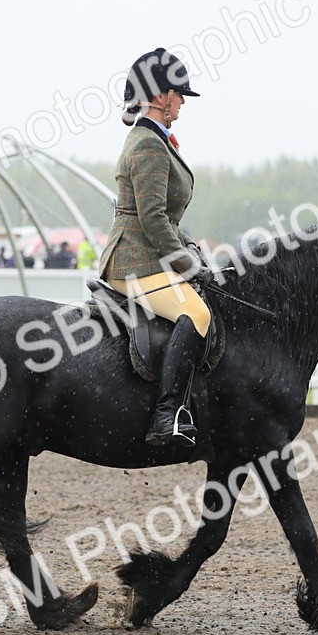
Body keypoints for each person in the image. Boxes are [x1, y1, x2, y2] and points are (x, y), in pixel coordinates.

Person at [98, 46, 207, 447]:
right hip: (134, 260)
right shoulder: (147, 144)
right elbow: (153, 218)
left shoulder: (156, 140)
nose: (181, 103)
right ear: (160, 96)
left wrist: (191, 249)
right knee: (196, 314)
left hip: (146, 255)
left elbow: (167, 220)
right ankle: (167, 415)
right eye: (179, 94)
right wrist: (185, 263)